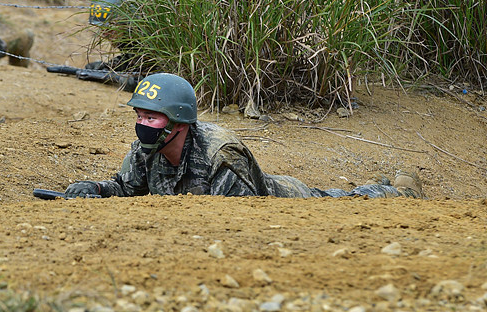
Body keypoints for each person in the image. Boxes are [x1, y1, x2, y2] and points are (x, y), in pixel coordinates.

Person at [64, 72, 424, 199]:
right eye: (140, 115)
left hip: (282, 198)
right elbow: (128, 188)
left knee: (340, 201)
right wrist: (95, 188)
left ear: (180, 122)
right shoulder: (146, 148)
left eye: (152, 117)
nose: (143, 124)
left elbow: (241, 214)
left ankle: (400, 190)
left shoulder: (221, 156)